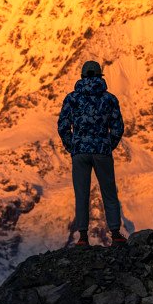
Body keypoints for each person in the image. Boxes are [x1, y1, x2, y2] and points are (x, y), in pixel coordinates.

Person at [56, 60, 126, 246]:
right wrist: (107, 145)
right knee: (109, 192)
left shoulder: (72, 98)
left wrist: (73, 146)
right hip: (102, 150)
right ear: (99, 75)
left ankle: (83, 237)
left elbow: (63, 125)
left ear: (82, 76)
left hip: (80, 151)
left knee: (82, 194)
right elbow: (118, 127)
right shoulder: (109, 99)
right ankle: (116, 233)